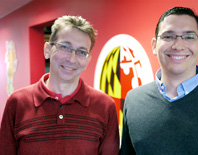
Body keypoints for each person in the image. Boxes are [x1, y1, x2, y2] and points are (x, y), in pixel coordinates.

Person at [121, 7, 198, 154]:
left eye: (189, 37)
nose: (178, 46)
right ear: (154, 46)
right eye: (168, 36)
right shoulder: (134, 100)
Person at [0, 15, 119, 155]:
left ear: (87, 60)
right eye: (65, 47)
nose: (71, 59)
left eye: (81, 52)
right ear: (47, 50)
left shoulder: (105, 106)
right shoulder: (17, 102)